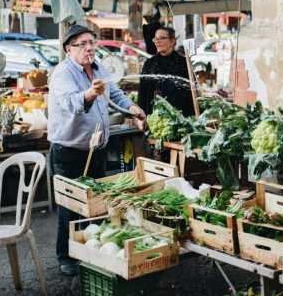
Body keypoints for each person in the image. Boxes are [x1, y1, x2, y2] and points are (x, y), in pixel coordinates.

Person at [47, 24, 145, 276]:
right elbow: (70, 104)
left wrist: (131, 109)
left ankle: (91, 252)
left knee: (97, 204)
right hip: (70, 151)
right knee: (71, 206)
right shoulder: (63, 73)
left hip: (97, 148)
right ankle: (66, 256)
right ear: (69, 48)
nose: (89, 47)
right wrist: (90, 94)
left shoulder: (99, 66)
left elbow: (116, 94)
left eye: (92, 42)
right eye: (82, 44)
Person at [137, 27, 194, 117]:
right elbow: (143, 91)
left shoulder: (183, 63)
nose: (157, 41)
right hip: (154, 116)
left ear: (172, 41)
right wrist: (140, 114)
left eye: (162, 38)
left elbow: (191, 91)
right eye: (156, 38)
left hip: (179, 115)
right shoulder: (149, 63)